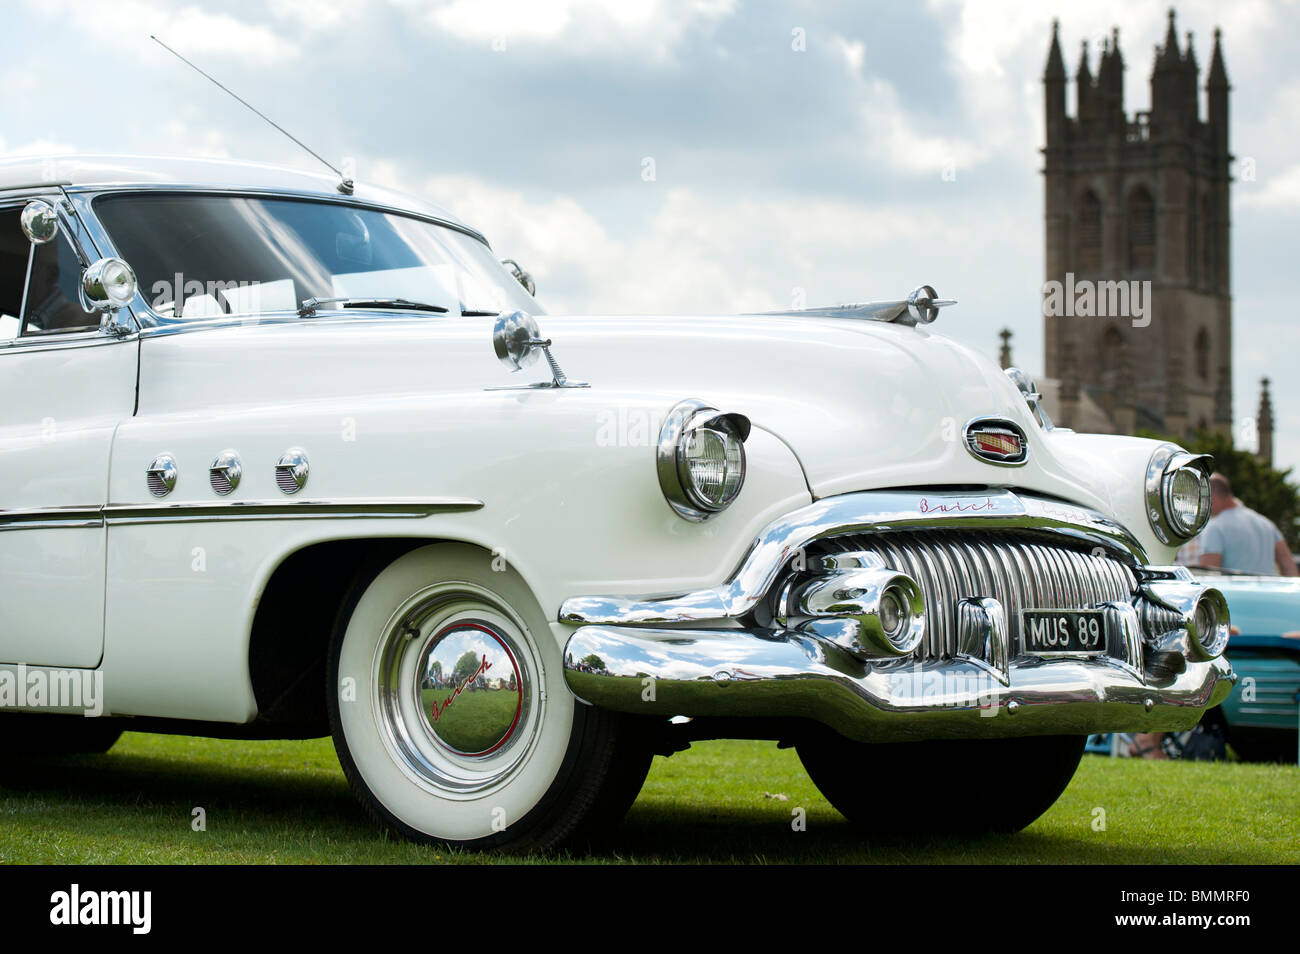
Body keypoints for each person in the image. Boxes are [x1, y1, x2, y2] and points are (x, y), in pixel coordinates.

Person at [1197, 473, 1298, 577]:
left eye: (1200, 498)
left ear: (1210, 496)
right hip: (1268, 592)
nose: (1199, 504)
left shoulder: (1215, 527)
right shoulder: (1266, 523)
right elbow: (1288, 566)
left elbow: (1207, 575)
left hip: (1234, 592)